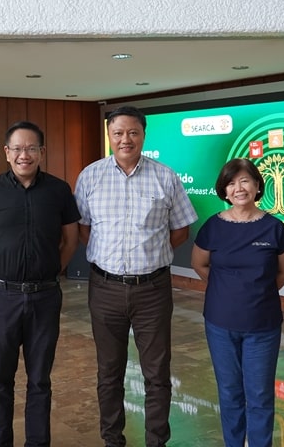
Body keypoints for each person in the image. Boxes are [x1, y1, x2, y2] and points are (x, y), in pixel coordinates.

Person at [74, 105, 198, 447]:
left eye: (132, 132)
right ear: (109, 136)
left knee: (157, 374)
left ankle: (156, 441)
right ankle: (112, 439)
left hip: (152, 289)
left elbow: (180, 231)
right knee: (108, 372)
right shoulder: (91, 176)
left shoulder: (166, 176)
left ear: (143, 135)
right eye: (118, 133)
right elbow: (85, 230)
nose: (125, 139)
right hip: (105, 288)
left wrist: (149, 256)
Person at [0, 120, 80, 447]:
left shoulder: (58, 190)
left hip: (45, 297)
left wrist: (51, 272)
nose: (24, 155)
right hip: (3, 298)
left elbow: (71, 240)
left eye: (31, 148)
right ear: (6, 153)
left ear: (42, 152)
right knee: (1, 380)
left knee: (40, 380)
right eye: (17, 148)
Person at [191, 158, 284, 447]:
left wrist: (256, 292)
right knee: (229, 392)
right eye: (231, 183)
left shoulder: (274, 228)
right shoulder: (213, 226)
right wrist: (226, 291)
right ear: (224, 191)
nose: (239, 188)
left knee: (260, 394)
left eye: (245, 180)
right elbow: (200, 264)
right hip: (220, 324)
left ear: (257, 186)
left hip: (263, 325)